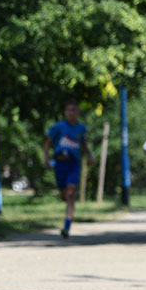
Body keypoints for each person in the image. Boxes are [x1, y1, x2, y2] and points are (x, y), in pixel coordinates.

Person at [43, 99, 95, 236]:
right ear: (65, 112)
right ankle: (64, 196)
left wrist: (90, 156)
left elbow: (83, 144)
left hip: (73, 164)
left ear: (78, 112)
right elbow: (47, 143)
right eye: (68, 110)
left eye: (73, 110)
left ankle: (67, 226)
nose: (71, 112)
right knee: (64, 195)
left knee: (71, 192)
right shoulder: (58, 127)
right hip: (60, 164)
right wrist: (46, 158)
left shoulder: (81, 128)